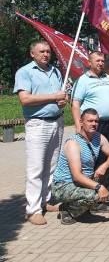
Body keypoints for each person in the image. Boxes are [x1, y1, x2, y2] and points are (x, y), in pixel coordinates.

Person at [14, 40, 68, 225]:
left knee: (52, 166)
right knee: (36, 168)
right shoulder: (25, 72)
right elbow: (25, 99)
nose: (46, 54)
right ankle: (33, 209)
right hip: (38, 124)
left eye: (48, 51)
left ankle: (47, 200)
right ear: (32, 54)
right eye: (42, 51)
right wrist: (54, 97)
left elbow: (60, 96)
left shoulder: (55, 71)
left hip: (57, 122)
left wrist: (62, 101)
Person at [52, 108, 109, 224]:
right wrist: (99, 187)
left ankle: (87, 206)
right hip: (64, 185)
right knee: (98, 195)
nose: (94, 124)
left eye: (96, 121)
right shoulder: (73, 144)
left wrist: (104, 166)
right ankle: (67, 209)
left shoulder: (99, 137)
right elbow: (77, 176)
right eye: (90, 121)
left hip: (86, 180)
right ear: (81, 122)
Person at [72, 52, 109, 152]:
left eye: (102, 61)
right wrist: (78, 126)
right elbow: (75, 105)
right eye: (98, 60)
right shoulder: (83, 80)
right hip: (93, 124)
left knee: (107, 154)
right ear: (89, 62)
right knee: (91, 154)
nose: (101, 63)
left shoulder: (107, 78)